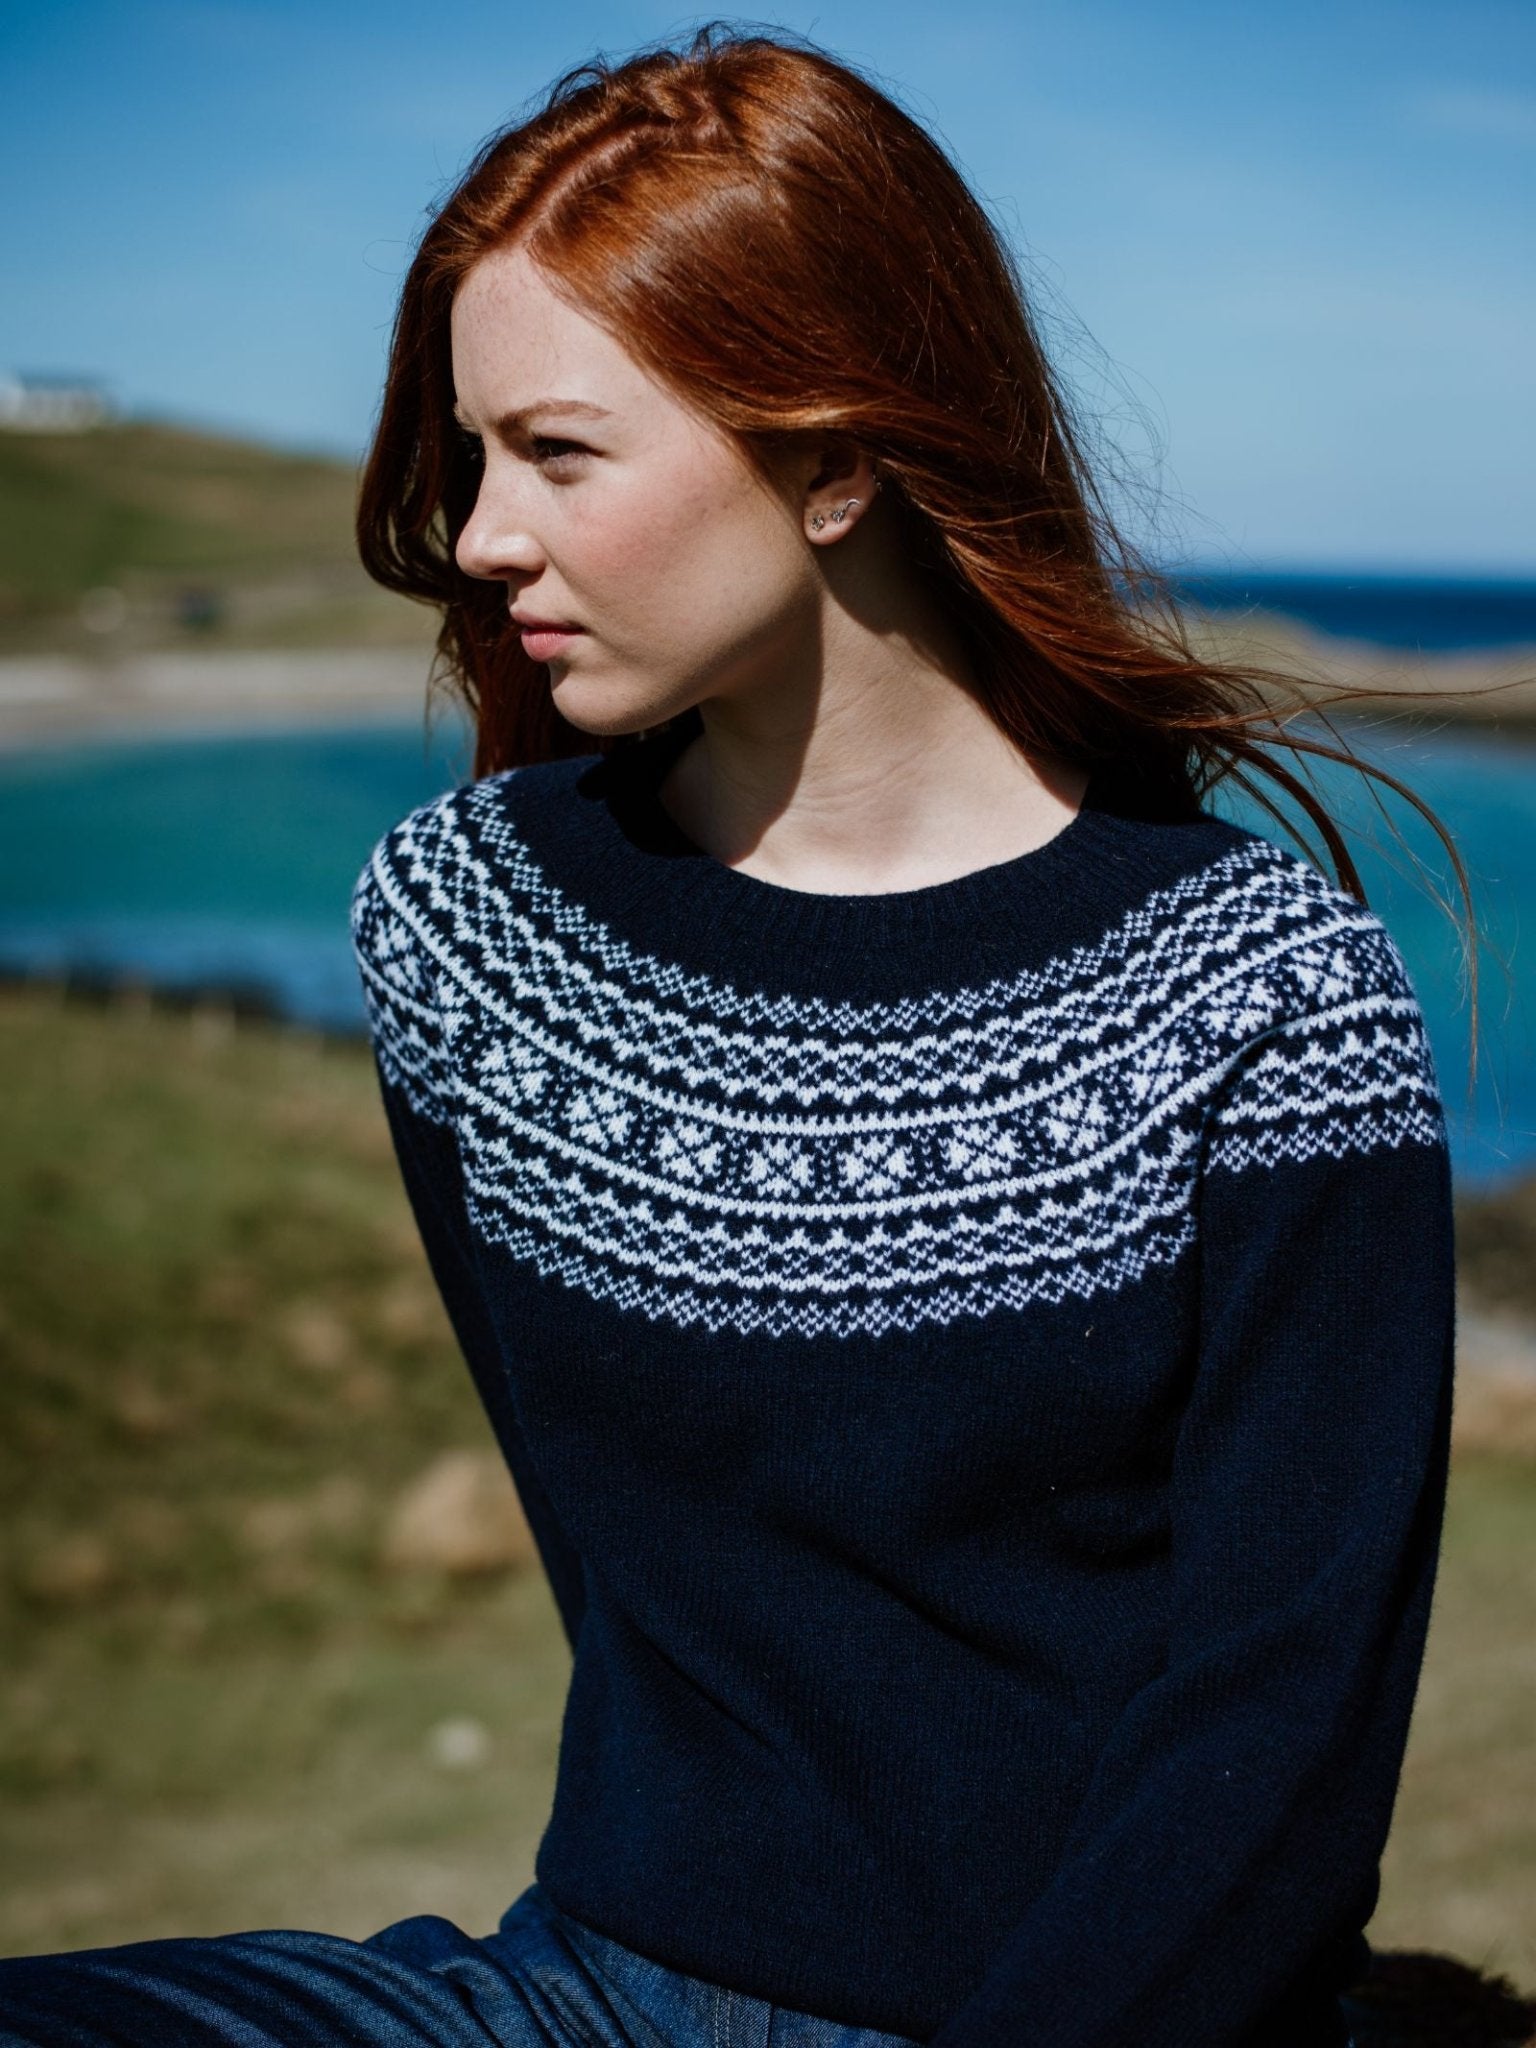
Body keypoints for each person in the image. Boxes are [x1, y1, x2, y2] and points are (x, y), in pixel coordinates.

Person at [1, 22, 1482, 2048]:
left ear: (839, 459)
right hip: (579, 1991)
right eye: (472, 454)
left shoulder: (1260, 990)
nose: (483, 532)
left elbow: (1283, 1737)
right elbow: (631, 1580)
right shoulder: (463, 932)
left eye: (560, 450)